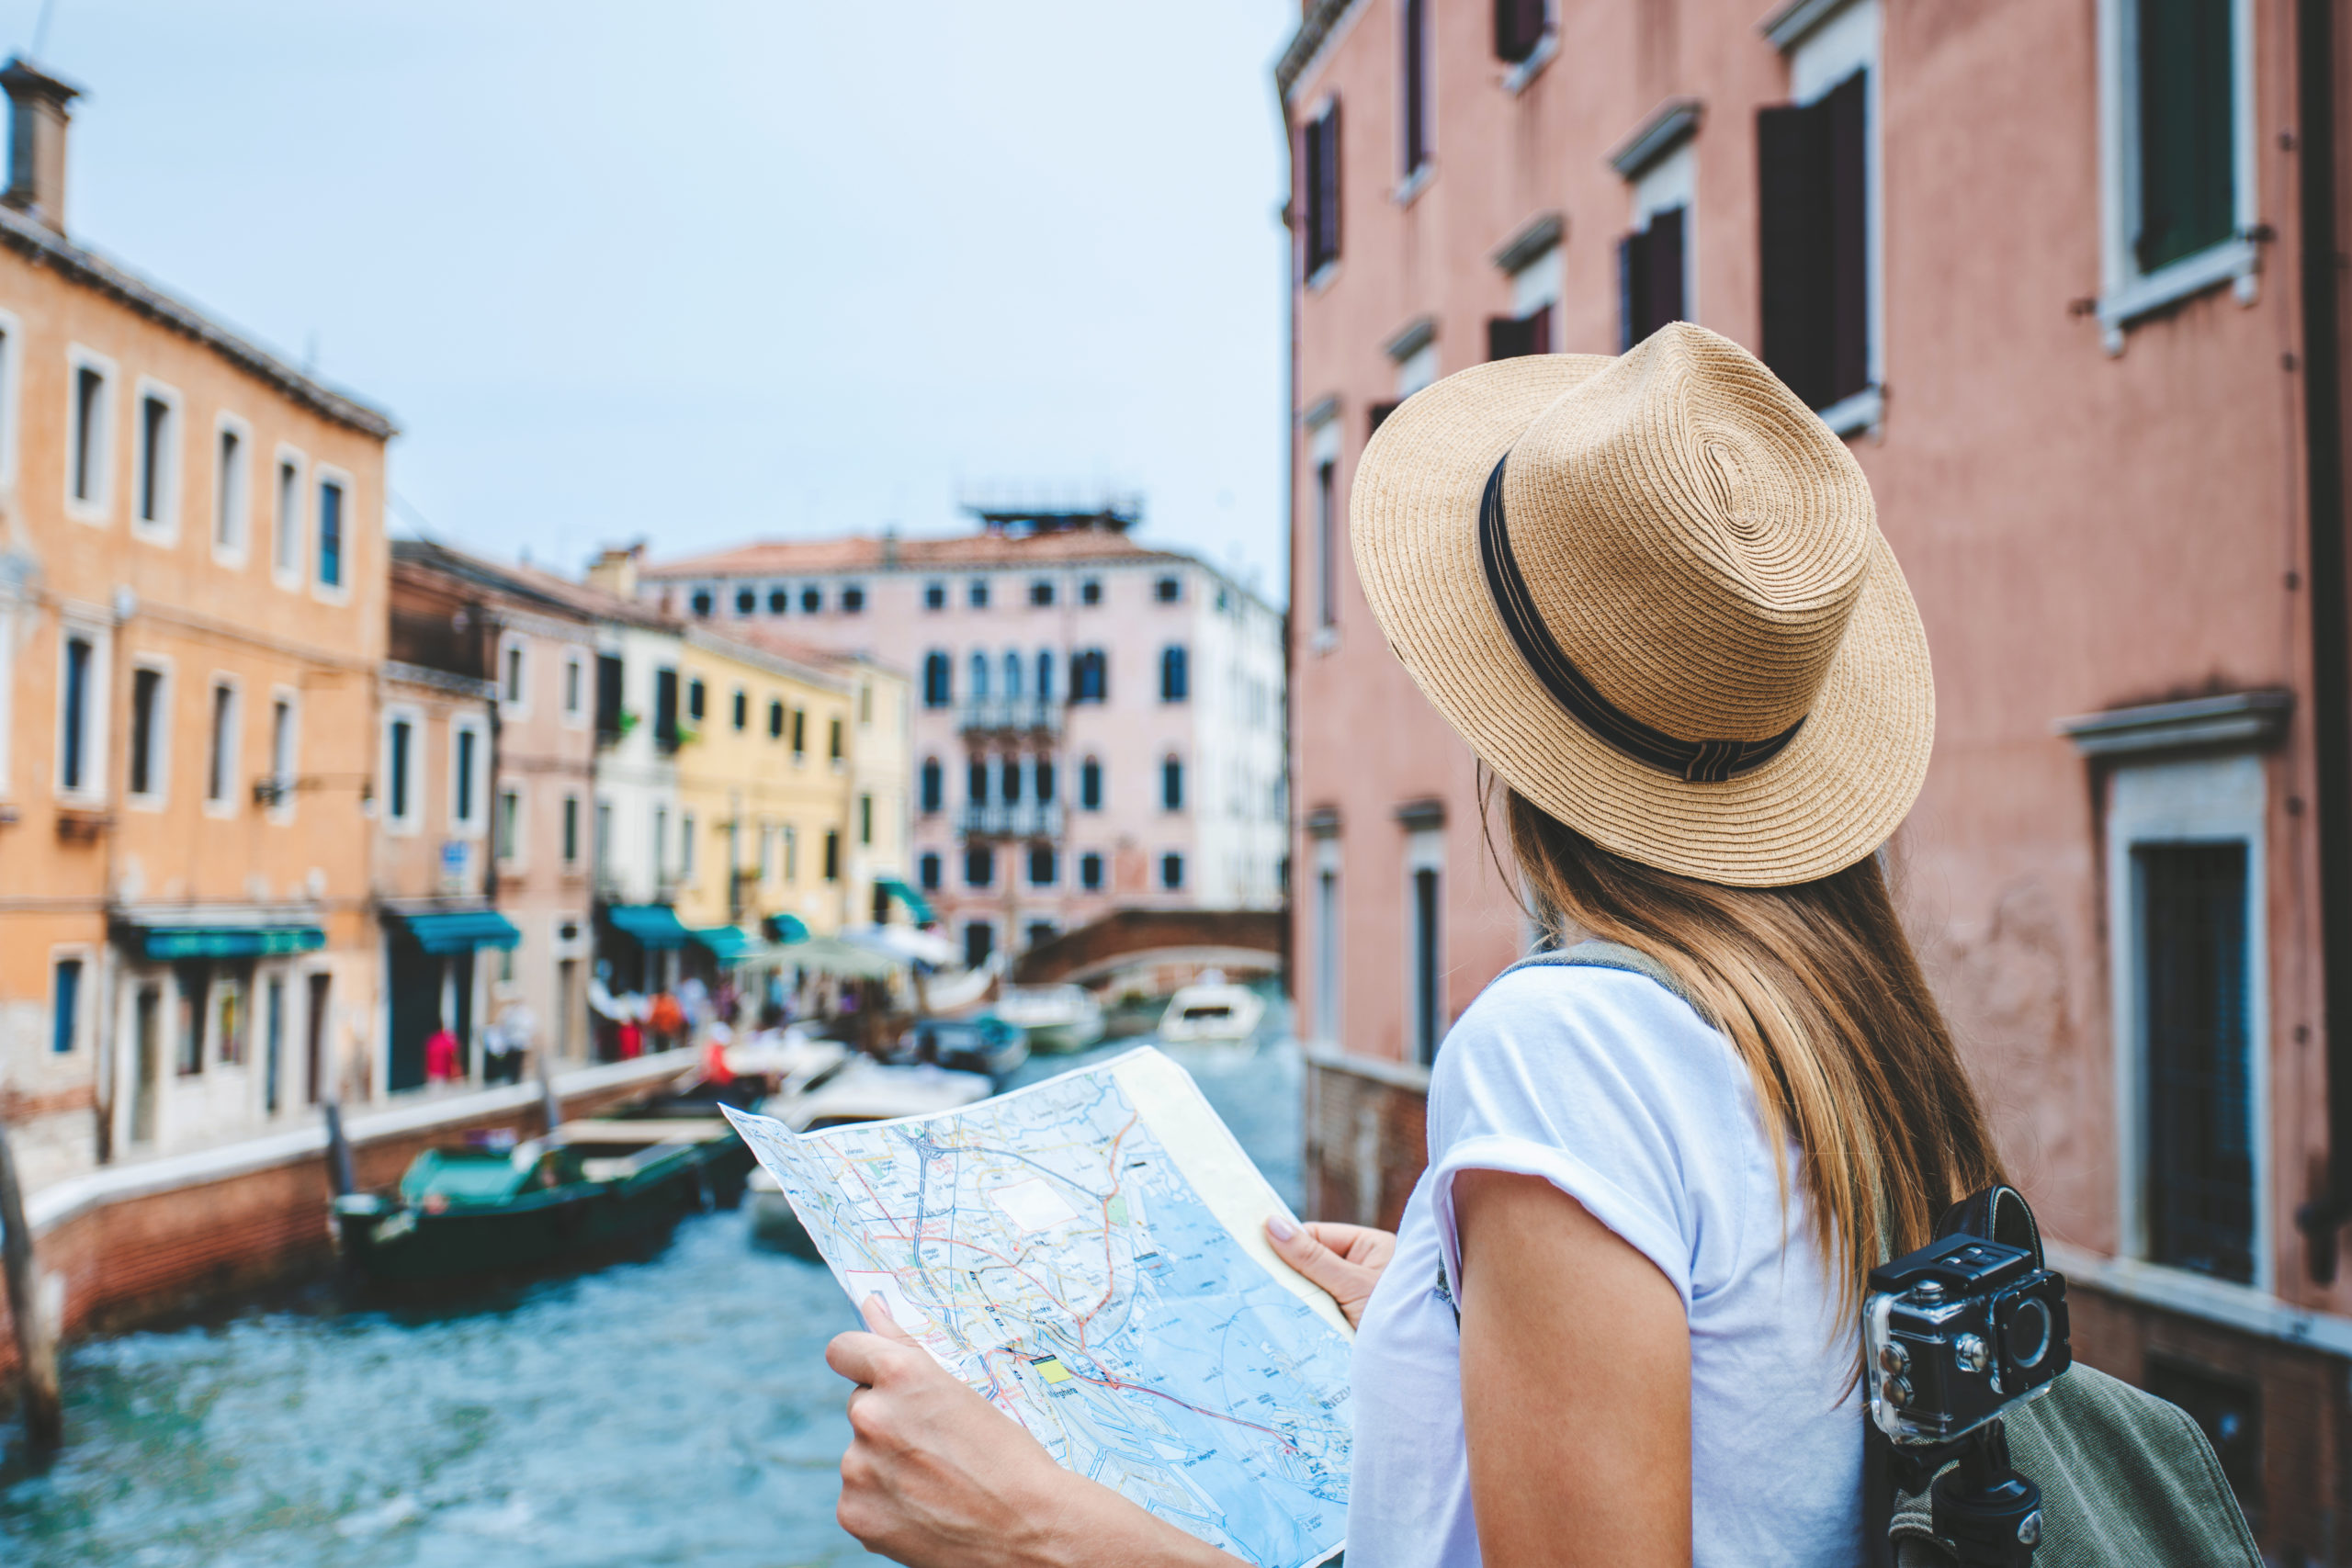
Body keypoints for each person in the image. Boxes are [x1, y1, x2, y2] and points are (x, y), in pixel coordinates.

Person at [818, 324, 2007, 1567]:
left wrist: (1036, 1527)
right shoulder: (1837, 1019)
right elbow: (1743, 1406)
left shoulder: (1567, 1047)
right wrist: (1437, 1311)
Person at [422, 1021, 461, 1087]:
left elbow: (426, 1059)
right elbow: (454, 1055)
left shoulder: (430, 1040)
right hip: (444, 1075)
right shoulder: (446, 1039)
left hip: (432, 1075)